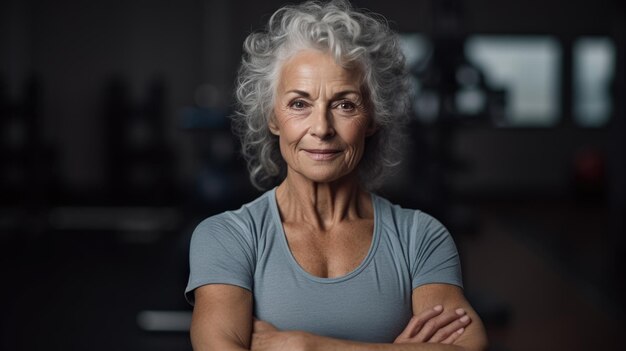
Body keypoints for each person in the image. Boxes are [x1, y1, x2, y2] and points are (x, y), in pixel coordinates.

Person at [185, 1, 488, 350]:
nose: (322, 128)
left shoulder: (421, 238)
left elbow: (468, 346)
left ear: (372, 118)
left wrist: (307, 345)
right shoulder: (226, 238)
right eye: (299, 104)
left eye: (345, 104)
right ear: (272, 118)